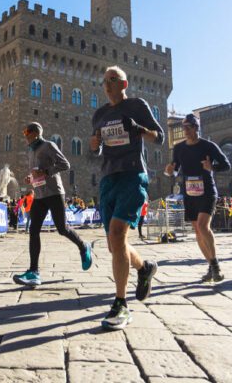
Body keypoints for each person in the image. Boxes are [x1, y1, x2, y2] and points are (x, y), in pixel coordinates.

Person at [90, 65, 164, 330]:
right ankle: (144, 268)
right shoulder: (99, 114)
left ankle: (120, 304)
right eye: (104, 80)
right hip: (109, 177)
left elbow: (160, 138)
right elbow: (95, 148)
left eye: (112, 79)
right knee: (114, 245)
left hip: (133, 174)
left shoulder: (136, 105)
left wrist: (138, 128)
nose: (107, 84)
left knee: (118, 233)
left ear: (123, 84)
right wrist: (94, 145)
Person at [13, 122, 92, 287]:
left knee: (62, 229)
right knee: (33, 230)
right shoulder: (31, 151)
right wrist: (31, 178)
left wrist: (46, 172)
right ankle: (33, 272)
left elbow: (65, 164)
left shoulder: (49, 145)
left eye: (27, 132)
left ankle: (83, 246)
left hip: (55, 193)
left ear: (36, 133)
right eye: (24, 132)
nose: (25, 135)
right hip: (40, 195)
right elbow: (36, 171)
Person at [165, 113, 230, 282]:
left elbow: (226, 164)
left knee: (203, 226)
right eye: (183, 127)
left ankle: (215, 265)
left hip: (207, 191)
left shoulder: (208, 146)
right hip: (190, 193)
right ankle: (211, 266)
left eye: (188, 127)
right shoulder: (179, 148)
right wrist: (169, 171)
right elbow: (175, 168)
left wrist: (212, 167)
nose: (184, 130)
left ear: (196, 128)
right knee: (197, 231)